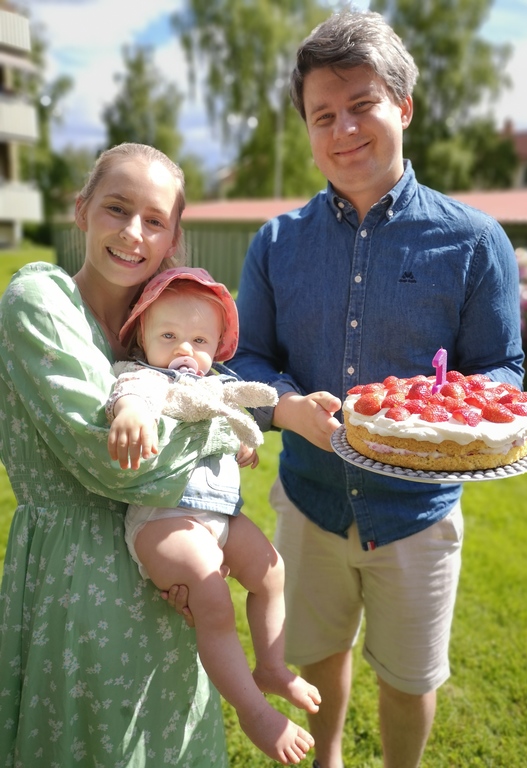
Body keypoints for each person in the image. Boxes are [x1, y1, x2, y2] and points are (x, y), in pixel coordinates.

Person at [229, 10, 526, 768]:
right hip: (311, 502)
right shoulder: (276, 243)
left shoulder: (473, 241)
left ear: (404, 107)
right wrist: (284, 406)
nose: (343, 129)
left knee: (409, 676)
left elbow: (501, 370)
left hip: (417, 516)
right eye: (322, 115)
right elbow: (251, 358)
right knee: (320, 656)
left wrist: (440, 412)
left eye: (362, 104)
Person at [0, 143, 234, 767]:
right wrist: (229, 428)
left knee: (164, 741)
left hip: (164, 567)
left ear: (173, 237)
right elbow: (117, 461)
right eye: (117, 208)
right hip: (77, 580)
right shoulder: (40, 302)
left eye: (155, 219)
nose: (134, 233)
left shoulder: (162, 326)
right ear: (82, 211)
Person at [106, 266, 319, 765]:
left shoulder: (220, 384)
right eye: (169, 335)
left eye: (200, 339)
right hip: (163, 521)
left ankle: (272, 667)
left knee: (271, 570)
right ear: (143, 336)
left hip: (219, 515)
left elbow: (237, 422)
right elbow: (131, 394)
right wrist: (132, 414)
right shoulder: (148, 377)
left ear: (220, 344)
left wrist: (241, 443)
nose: (185, 350)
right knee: (212, 594)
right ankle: (251, 709)